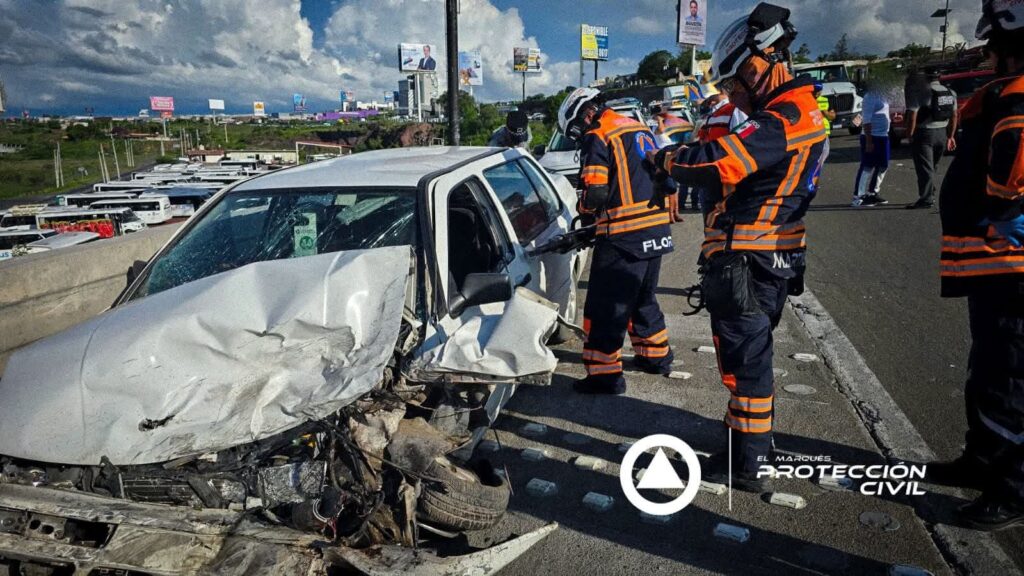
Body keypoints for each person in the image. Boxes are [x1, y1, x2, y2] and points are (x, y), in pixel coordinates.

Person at [653, 2, 827, 492]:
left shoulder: (785, 117)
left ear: (758, 65)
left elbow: (716, 161)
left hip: (750, 262)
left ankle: (748, 464)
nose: (732, 95)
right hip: (768, 259)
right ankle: (748, 446)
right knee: (751, 361)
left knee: (745, 366)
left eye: (733, 84)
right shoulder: (792, 113)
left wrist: (668, 159)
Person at [929, 0, 1024, 531]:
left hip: (1012, 262)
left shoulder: (1018, 99)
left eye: (994, 48)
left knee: (1012, 375)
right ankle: (982, 460)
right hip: (994, 263)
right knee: (989, 368)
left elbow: (1010, 181)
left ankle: (1014, 490)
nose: (987, 57)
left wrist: (996, 212)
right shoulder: (1004, 94)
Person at [558, 87, 675, 395]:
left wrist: (585, 215)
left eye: (576, 130)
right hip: (656, 229)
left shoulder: (599, 134)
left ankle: (604, 376)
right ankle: (656, 357)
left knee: (605, 306)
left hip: (624, 235)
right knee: (642, 298)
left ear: (585, 114)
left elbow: (595, 192)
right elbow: (667, 180)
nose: (579, 137)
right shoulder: (638, 127)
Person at [905, 69, 958, 209]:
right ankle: (930, 192)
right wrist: (951, 136)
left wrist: (909, 134)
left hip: (924, 133)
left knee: (925, 168)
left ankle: (926, 198)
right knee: (932, 166)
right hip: (942, 132)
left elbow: (912, 116)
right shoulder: (950, 92)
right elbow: (954, 115)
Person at [852, 81, 892, 206]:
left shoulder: (883, 96)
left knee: (883, 165)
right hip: (871, 136)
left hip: (883, 136)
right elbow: (866, 121)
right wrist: (869, 142)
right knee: (867, 166)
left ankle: (873, 192)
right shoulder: (870, 97)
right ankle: (859, 196)